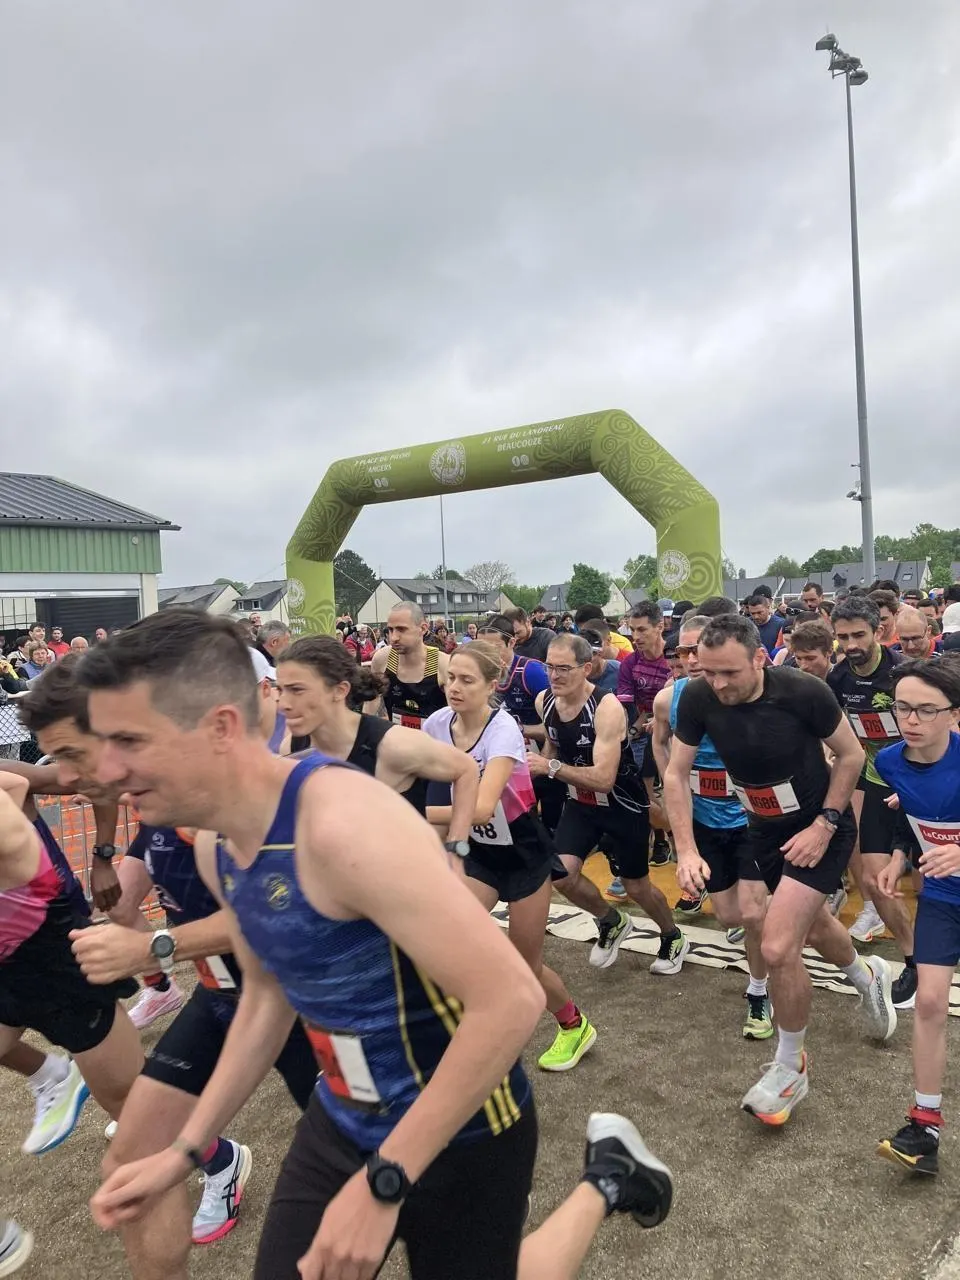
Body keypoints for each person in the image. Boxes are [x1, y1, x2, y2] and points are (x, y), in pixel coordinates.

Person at [78, 610, 673, 1280]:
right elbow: (268, 995)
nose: (105, 770)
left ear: (218, 728)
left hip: (463, 1126)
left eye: (129, 740)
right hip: (344, 1116)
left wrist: (387, 1178)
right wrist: (186, 1150)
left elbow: (510, 998)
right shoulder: (219, 845)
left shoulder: (342, 822)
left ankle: (607, 1180)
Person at [665, 614, 896, 1125]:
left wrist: (826, 823)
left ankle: (791, 1068)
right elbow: (676, 773)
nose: (718, 684)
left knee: (776, 946)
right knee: (813, 925)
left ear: (759, 658)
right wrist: (685, 850)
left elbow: (851, 756)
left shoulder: (804, 691)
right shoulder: (699, 696)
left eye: (729, 673)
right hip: (764, 829)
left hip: (820, 829)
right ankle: (866, 976)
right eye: (709, 671)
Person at [422, 641, 595, 1073]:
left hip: (524, 854)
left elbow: (482, 808)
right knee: (444, 939)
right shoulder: (436, 725)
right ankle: (462, 1028)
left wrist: (409, 812)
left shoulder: (503, 730)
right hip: (478, 853)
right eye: (450, 678)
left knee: (525, 965)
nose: (454, 688)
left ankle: (573, 1025)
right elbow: (429, 789)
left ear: (491, 685)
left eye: (467, 680)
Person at [528, 633, 688, 976]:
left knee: (636, 886)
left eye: (563, 668)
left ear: (586, 668)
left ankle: (672, 935)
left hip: (622, 805)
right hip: (580, 803)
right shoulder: (545, 701)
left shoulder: (607, 707)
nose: (554, 675)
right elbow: (552, 749)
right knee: (561, 875)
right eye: (548, 667)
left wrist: (549, 767)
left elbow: (603, 778)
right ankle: (610, 920)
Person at [652, 616, 772, 1040]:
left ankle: (759, 990)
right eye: (683, 652)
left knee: (753, 913)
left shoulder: (747, 690)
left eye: (696, 651)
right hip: (705, 818)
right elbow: (659, 742)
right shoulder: (669, 699)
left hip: (752, 818)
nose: (690, 660)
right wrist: (671, 787)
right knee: (728, 915)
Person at [874, 657, 960, 1176]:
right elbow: (909, 814)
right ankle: (924, 1126)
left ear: (955, 715)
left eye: (926, 710)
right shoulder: (889, 761)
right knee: (929, 1002)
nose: (911, 719)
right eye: (903, 707)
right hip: (944, 899)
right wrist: (899, 856)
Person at [277, 634, 479, 829]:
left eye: (297, 690)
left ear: (340, 690)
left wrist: (457, 843)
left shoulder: (392, 745)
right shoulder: (291, 748)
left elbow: (466, 769)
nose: (283, 704)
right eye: (280, 690)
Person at [828, 599, 916, 1005]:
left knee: (933, 879)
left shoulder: (905, 673)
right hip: (879, 784)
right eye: (843, 637)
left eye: (859, 635)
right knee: (876, 881)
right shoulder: (838, 678)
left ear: (879, 632)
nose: (851, 645)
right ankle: (913, 960)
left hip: (922, 786)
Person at [617, 603, 673, 865]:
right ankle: (661, 839)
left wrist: (654, 721)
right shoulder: (630, 663)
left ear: (659, 627)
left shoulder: (674, 656)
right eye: (632, 630)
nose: (635, 636)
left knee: (676, 793)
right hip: (644, 731)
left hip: (676, 730)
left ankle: (680, 840)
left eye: (641, 630)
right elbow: (627, 707)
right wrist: (632, 731)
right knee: (644, 793)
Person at [366, 602, 449, 728]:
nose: (394, 637)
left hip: (434, 739)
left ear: (423, 629)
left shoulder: (442, 664)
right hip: (396, 737)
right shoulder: (382, 659)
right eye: (390, 630)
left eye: (401, 629)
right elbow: (371, 701)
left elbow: (459, 715)